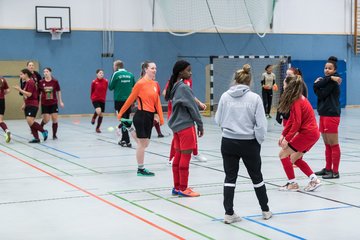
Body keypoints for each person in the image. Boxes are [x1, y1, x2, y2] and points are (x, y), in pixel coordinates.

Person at [215, 64, 272, 224]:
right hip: (249, 143)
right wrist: (258, 141)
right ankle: (265, 210)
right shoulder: (255, 98)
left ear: (235, 80)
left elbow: (217, 120)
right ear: (249, 81)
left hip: (228, 142)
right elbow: (261, 125)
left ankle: (228, 213)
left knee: (230, 177)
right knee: (256, 177)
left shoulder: (225, 96)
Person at [117, 61, 164, 176]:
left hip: (149, 116)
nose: (155, 70)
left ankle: (129, 128)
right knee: (142, 144)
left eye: (155, 68)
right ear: (146, 69)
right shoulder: (140, 83)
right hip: (141, 115)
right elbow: (130, 99)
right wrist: (121, 113)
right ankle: (140, 169)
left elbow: (157, 102)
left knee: (145, 144)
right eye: (152, 68)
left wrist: (160, 117)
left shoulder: (154, 84)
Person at [165, 60, 204, 197]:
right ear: (181, 72)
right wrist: (200, 124)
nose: (190, 72)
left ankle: (177, 187)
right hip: (186, 127)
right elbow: (193, 108)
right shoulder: (183, 88)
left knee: (178, 156)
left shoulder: (175, 86)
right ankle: (183, 188)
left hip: (176, 127)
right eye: (188, 70)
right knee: (185, 157)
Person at [277, 75, 322, 192]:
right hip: (313, 134)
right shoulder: (297, 98)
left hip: (307, 134)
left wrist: (287, 139)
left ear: (289, 86)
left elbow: (297, 123)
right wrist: (283, 134)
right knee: (295, 158)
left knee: (283, 154)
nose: (283, 86)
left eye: (284, 84)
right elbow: (292, 120)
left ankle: (292, 183)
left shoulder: (296, 100)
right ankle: (314, 180)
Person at [163, 77, 207, 165]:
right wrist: (174, 98)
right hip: (175, 114)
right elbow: (164, 93)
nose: (190, 73)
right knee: (177, 136)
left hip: (186, 113)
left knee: (192, 132)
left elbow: (190, 95)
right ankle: (172, 157)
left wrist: (199, 103)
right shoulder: (173, 80)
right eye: (187, 70)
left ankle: (195, 153)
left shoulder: (188, 80)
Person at [313, 56, 342, 179]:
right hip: (324, 114)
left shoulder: (333, 82)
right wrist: (317, 85)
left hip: (331, 115)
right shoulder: (328, 80)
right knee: (327, 145)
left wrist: (317, 85)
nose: (326, 70)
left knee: (333, 144)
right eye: (325, 68)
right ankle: (328, 168)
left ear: (335, 70)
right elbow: (318, 89)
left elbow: (322, 93)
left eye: (330, 69)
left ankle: (335, 172)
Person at [13, 69, 48, 143]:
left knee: (30, 121)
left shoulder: (31, 82)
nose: (20, 76)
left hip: (33, 104)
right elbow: (26, 96)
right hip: (28, 104)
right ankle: (36, 138)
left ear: (26, 74)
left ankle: (43, 131)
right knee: (30, 122)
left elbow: (29, 94)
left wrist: (20, 89)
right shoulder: (26, 83)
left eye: (21, 74)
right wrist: (24, 104)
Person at [109, 60, 135, 147]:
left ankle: (127, 140)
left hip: (119, 100)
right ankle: (124, 139)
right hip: (128, 100)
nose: (113, 67)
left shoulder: (115, 74)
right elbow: (134, 87)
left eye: (113, 66)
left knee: (123, 120)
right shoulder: (130, 75)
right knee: (126, 119)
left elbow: (110, 87)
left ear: (116, 66)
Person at [38, 67, 64, 139]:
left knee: (54, 118)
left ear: (50, 72)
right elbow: (39, 93)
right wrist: (38, 103)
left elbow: (58, 91)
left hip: (53, 103)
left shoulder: (55, 81)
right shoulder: (41, 82)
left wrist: (60, 101)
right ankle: (42, 125)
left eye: (47, 71)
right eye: (44, 72)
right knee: (46, 120)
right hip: (44, 103)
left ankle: (54, 135)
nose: (45, 73)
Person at [90, 69, 108, 133]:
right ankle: (94, 117)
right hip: (95, 99)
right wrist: (92, 98)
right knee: (98, 110)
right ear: (97, 74)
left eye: (102, 73)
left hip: (102, 99)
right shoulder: (94, 82)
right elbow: (92, 91)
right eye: (100, 73)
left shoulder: (106, 81)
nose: (101, 74)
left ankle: (97, 128)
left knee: (101, 115)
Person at [0, 76, 11, 143]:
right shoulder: (2, 79)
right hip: (1, 101)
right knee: (0, 120)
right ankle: (7, 130)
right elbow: (8, 90)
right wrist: (2, 94)